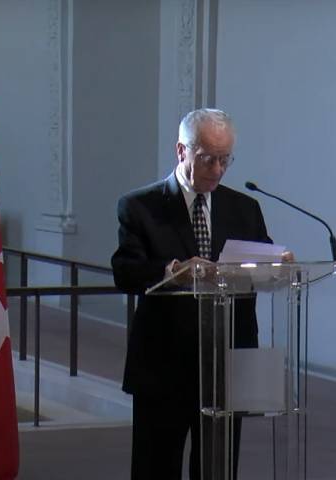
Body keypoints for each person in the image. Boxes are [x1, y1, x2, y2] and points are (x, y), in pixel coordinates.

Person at [112, 108, 289, 479]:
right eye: (208, 159)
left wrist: (279, 265)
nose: (219, 170)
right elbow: (125, 271)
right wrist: (171, 272)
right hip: (164, 363)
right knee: (156, 467)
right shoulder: (140, 206)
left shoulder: (245, 208)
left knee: (217, 469)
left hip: (225, 362)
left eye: (226, 160)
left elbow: (262, 263)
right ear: (182, 151)